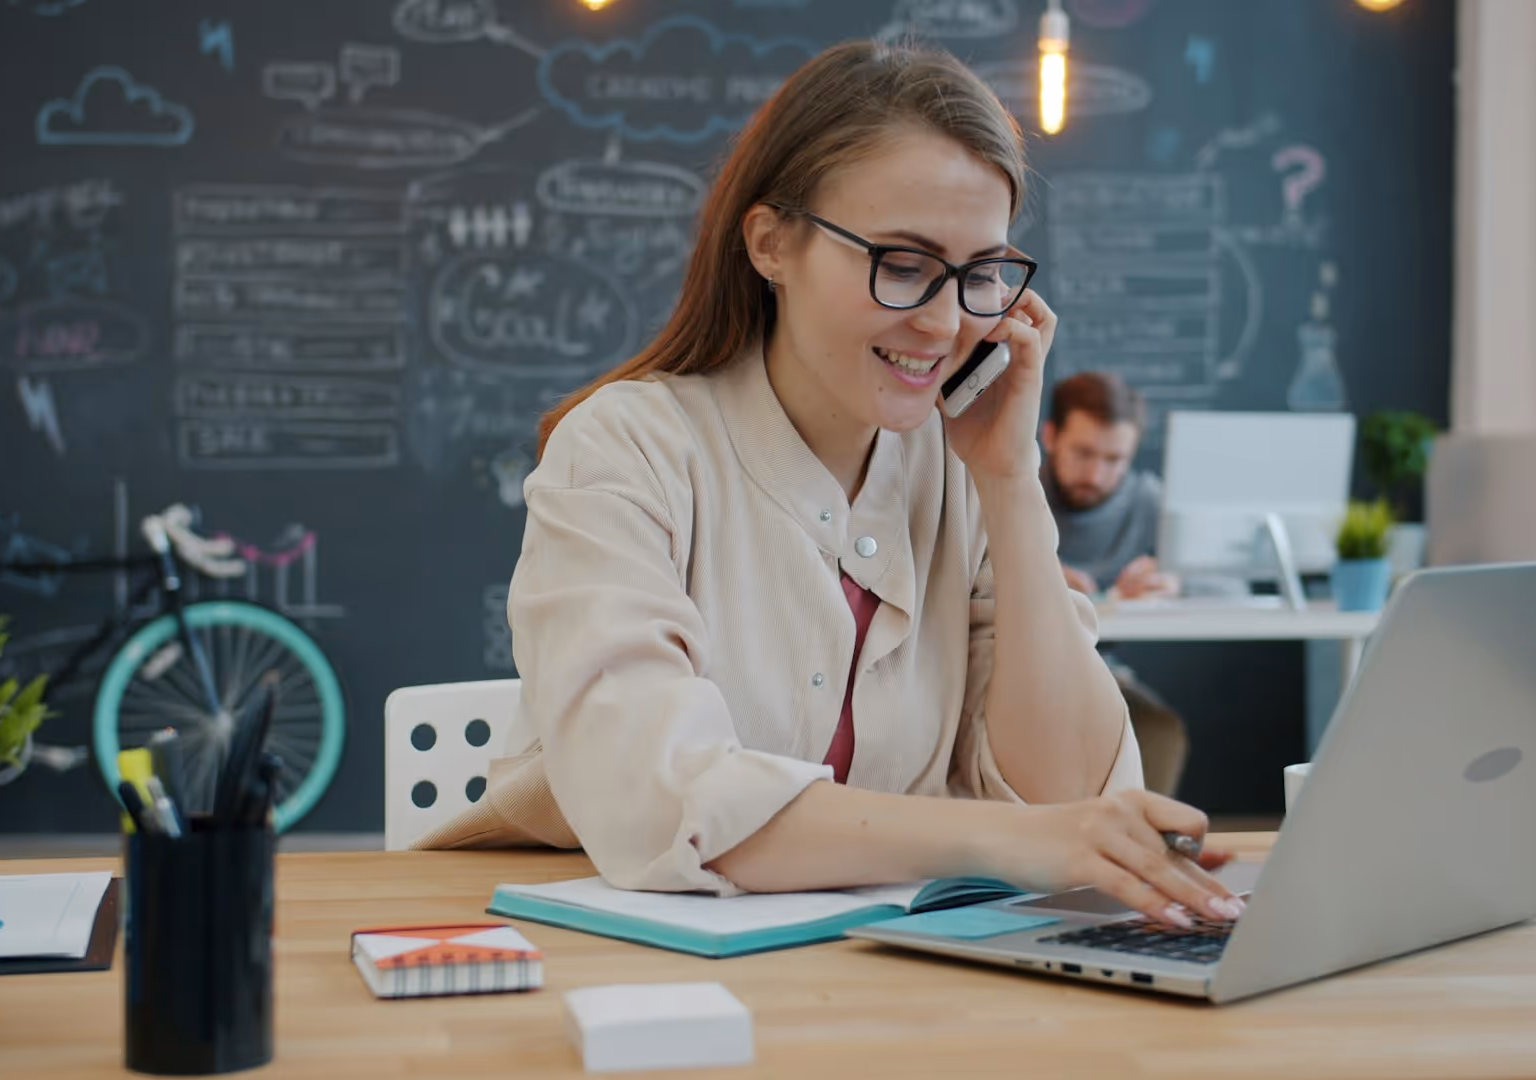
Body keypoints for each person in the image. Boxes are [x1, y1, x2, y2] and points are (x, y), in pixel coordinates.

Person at [416, 40, 1242, 928]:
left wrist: (1009, 480)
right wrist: (1003, 840)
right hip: (608, 949)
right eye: (904, 262)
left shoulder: (961, 469)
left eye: (979, 275)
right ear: (772, 242)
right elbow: (668, 802)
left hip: (882, 969)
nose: (944, 320)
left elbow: (1072, 792)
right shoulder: (624, 449)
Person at [1039, 371, 1191, 796]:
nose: (1096, 473)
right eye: (1083, 452)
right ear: (1050, 437)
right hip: (1012, 672)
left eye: (1114, 460)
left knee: (1158, 731)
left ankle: (1137, 849)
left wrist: (1175, 581)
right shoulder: (1015, 489)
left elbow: (1233, 585)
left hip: (1104, 676)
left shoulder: (1147, 501)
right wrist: (1033, 575)